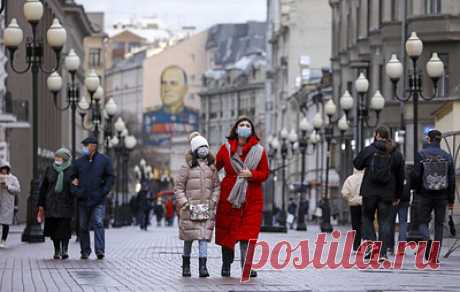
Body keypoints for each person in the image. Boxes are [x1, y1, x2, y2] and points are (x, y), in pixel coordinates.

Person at [215, 116, 270, 278]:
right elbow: (214, 169)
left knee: (248, 234)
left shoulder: (259, 151)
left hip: (251, 198)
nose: (244, 127)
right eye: (242, 125)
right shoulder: (225, 149)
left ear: (251, 130)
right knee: (227, 233)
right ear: (236, 129)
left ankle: (247, 267)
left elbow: (265, 173)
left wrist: (251, 174)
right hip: (229, 197)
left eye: (247, 125)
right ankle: (226, 264)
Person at [353, 126, 405, 261]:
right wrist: (398, 195)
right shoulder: (396, 153)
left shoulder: (369, 150)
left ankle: (372, 245)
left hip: (369, 192)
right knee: (385, 222)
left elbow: (357, 164)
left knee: (367, 218)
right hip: (387, 193)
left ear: (376, 135)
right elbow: (401, 176)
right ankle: (382, 253)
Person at [175, 133, 220, 277]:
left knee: (203, 238)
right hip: (189, 209)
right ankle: (186, 266)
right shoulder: (187, 167)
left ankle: (203, 267)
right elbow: (179, 188)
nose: (203, 150)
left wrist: (213, 200)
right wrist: (184, 202)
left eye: (205, 147)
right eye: (200, 147)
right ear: (195, 150)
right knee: (189, 239)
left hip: (206, 208)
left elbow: (217, 187)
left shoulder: (212, 168)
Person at [413, 129, 455, 261]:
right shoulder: (447, 156)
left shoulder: (421, 154)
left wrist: (417, 190)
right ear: (439, 140)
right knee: (439, 225)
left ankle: (427, 240)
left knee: (422, 222)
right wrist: (451, 199)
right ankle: (434, 254)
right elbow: (452, 178)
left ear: (429, 140)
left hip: (424, 194)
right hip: (442, 195)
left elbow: (416, 175)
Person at [73, 136, 114, 260]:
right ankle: (85, 251)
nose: (84, 148)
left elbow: (110, 177)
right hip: (83, 199)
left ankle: (100, 250)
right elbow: (72, 178)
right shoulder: (79, 162)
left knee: (98, 223)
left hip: (98, 199)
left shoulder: (104, 160)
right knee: (83, 226)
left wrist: (104, 191)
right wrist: (77, 192)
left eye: (86, 145)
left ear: (93, 146)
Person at [37, 148, 78, 259]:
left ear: (64, 158)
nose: (56, 159)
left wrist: (75, 188)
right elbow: (44, 188)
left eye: (59, 157)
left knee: (64, 228)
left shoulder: (72, 170)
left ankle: (64, 249)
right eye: (56, 157)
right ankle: (57, 250)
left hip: (66, 203)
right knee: (54, 228)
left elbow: (75, 187)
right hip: (52, 203)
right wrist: (41, 204)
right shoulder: (50, 169)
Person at [341, 168, 364, 253]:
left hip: (353, 204)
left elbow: (344, 192)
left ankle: (356, 246)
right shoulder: (366, 177)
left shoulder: (350, 179)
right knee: (365, 223)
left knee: (355, 225)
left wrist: (350, 198)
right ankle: (366, 243)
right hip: (364, 203)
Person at [0, 160, 20, 248]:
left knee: (5, 223)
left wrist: (8, 186)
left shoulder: (13, 178)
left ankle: (3, 240)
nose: (4, 171)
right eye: (2, 169)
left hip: (7, 204)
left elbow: (17, 189)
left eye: (5, 169)